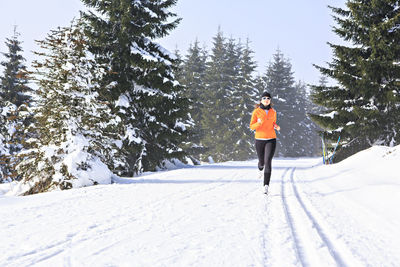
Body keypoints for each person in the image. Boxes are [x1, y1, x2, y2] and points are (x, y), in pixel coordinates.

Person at [249, 92, 280, 195]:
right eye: (264, 98)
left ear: (270, 100)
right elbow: (251, 126)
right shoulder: (256, 112)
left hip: (271, 139)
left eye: (268, 98)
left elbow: (273, 122)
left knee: (268, 161)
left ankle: (266, 186)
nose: (266, 100)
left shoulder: (273, 112)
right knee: (262, 162)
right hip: (259, 139)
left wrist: (276, 126)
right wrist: (259, 123)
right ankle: (260, 168)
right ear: (261, 100)